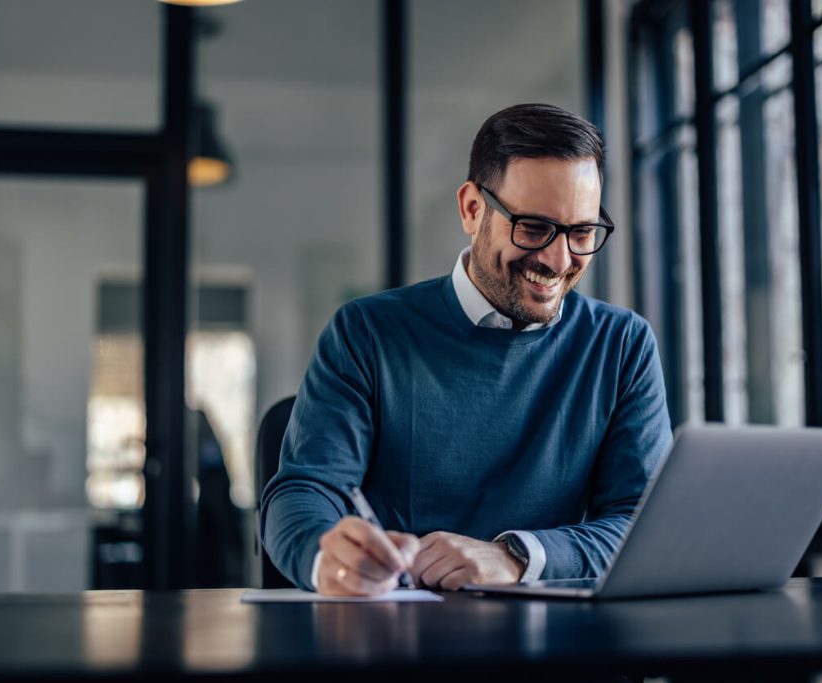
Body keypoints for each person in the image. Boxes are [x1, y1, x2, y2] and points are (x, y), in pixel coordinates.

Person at [261, 103, 672, 596]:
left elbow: (645, 527)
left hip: (557, 635)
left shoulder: (622, 344)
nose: (559, 260)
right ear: (473, 210)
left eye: (581, 232)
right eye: (533, 228)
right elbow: (302, 492)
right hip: (399, 629)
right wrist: (327, 558)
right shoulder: (367, 332)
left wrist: (516, 557)